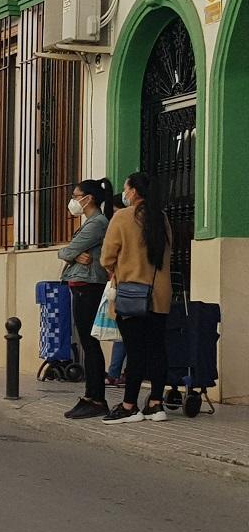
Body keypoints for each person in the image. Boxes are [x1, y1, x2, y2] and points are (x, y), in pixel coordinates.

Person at [100, 172, 173, 424]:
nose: (124, 193)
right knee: (156, 349)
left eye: (126, 188)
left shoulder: (122, 217)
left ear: (133, 192)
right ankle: (156, 403)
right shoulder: (161, 218)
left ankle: (129, 404)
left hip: (132, 295)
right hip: (160, 296)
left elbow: (107, 257)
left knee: (135, 350)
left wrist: (118, 269)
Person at [59, 178, 114, 420]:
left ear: (88, 198)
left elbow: (67, 251)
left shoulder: (96, 224)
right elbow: (70, 252)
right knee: (87, 343)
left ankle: (97, 397)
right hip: (81, 285)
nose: (73, 200)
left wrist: (70, 253)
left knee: (90, 344)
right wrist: (71, 253)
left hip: (88, 287)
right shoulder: (91, 223)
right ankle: (91, 395)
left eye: (75, 195)